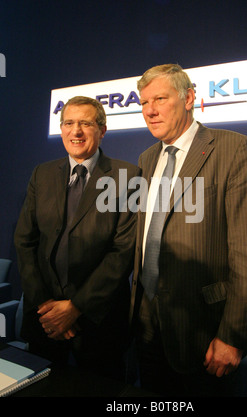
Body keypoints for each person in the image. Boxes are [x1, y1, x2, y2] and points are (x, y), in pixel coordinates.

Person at [129, 64, 247, 396]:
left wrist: (233, 335)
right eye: (144, 102)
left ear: (189, 97)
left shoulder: (232, 148)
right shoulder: (146, 158)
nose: (150, 110)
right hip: (147, 326)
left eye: (160, 98)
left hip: (203, 332)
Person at [14, 96, 140, 381]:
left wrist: (75, 307)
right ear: (61, 129)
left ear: (103, 130)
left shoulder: (128, 176)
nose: (76, 131)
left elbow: (123, 250)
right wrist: (46, 307)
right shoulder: (42, 174)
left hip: (99, 323)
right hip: (44, 321)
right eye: (69, 123)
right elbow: (25, 241)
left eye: (86, 123)